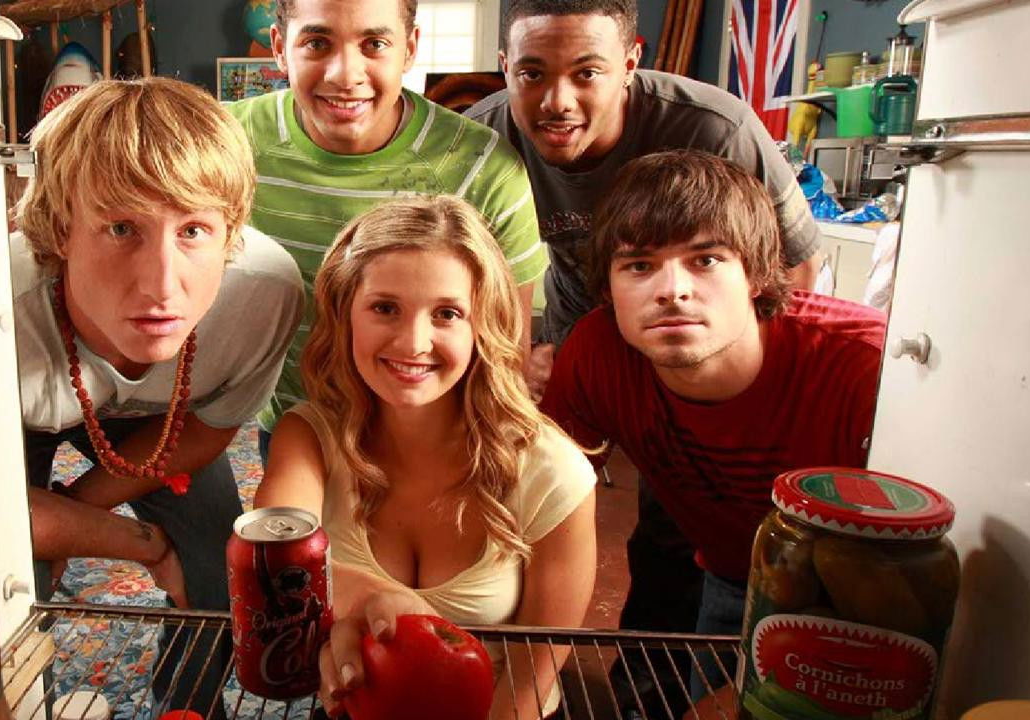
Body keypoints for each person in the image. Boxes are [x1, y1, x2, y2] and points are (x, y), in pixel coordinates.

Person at [539, 150, 885, 712]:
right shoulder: (598, 351)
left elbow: (914, 575)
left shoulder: (866, 369)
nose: (672, 290)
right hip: (730, 574)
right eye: (639, 266)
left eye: (705, 260)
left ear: (756, 275)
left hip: (864, 607)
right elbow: (536, 497)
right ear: (606, 288)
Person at [11, 77, 303, 716]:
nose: (162, 285)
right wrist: (142, 543)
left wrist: (72, 516)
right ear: (60, 229)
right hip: (15, 418)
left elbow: (208, 430)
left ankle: (187, 707)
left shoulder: (263, 294)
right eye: (121, 228)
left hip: (165, 418)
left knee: (216, 574)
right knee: (6, 578)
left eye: (194, 230)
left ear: (231, 234)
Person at [253, 195, 597, 720]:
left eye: (447, 314)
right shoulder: (309, 435)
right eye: (385, 308)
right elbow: (271, 558)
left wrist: (351, 596)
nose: (414, 342)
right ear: (345, 313)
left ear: (481, 325)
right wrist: (377, 597)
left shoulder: (553, 471)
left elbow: (532, 675)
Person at [226, 0, 548, 459]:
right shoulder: (228, 143)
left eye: (374, 44)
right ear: (279, 47)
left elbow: (506, 354)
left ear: (410, 48)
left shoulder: (485, 168)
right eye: (317, 43)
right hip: (297, 430)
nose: (345, 74)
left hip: (440, 440)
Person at [466, 0, 822, 388]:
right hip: (578, 326)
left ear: (630, 65)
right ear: (505, 67)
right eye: (532, 74)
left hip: (700, 332)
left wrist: (757, 378)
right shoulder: (478, 144)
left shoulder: (718, 131)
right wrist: (520, 358)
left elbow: (797, 265)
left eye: (587, 73)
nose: (558, 102)